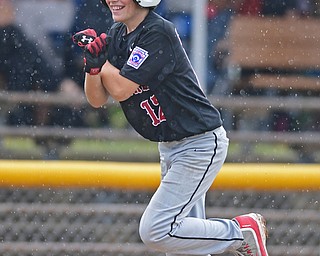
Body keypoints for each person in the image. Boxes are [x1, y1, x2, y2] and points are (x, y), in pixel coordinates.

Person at [72, 0, 269, 255]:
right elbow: (96, 99)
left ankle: (240, 232)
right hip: (171, 146)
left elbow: (121, 88)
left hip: (198, 143)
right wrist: (93, 66)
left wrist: (104, 62)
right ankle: (238, 235)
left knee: (156, 229)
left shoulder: (157, 31)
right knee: (183, 245)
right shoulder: (117, 34)